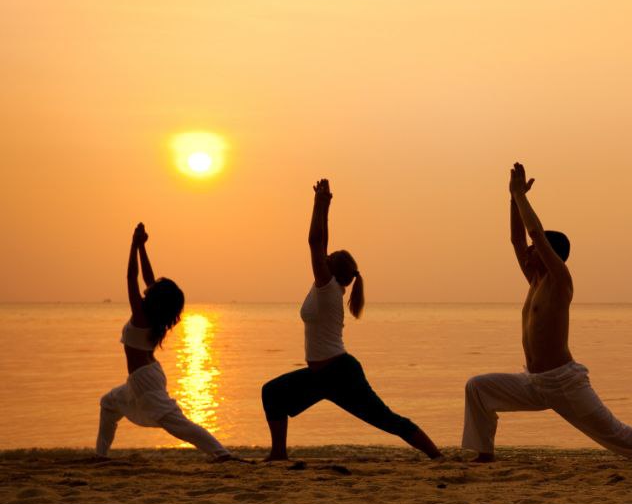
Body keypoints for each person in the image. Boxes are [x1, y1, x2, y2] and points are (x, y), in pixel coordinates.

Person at [461, 163, 632, 462]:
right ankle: (484, 455)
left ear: (549, 254)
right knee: (478, 387)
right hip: (534, 382)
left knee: (615, 433)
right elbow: (518, 240)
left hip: (563, 382)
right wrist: (511, 198)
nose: (528, 252)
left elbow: (535, 235)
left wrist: (521, 197)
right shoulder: (536, 280)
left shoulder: (559, 280)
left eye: (535, 249)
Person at [261, 179, 441, 461]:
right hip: (322, 375)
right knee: (273, 393)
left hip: (340, 374)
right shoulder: (328, 286)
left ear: (332, 269)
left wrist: (317, 204)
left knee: (386, 419)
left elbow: (315, 242)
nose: (324, 256)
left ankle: (437, 456)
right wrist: (327, 206)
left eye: (328, 258)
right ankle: (278, 454)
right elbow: (323, 242)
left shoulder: (327, 289)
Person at [96, 223, 235, 460]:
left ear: (156, 300)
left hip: (145, 380)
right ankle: (100, 456)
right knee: (109, 404)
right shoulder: (153, 317)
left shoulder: (141, 316)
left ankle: (221, 453)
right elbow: (149, 280)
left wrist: (133, 243)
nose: (150, 288)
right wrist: (142, 247)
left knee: (177, 424)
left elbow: (132, 277)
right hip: (141, 377)